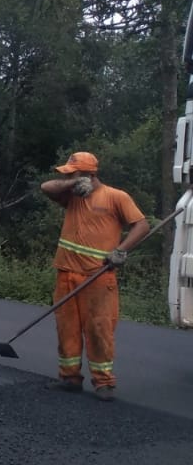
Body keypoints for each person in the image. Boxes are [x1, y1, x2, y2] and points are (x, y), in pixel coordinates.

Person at [40, 151, 150, 400]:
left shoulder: (115, 197)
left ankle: (104, 383)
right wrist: (72, 184)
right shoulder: (71, 196)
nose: (68, 178)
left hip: (97, 275)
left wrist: (120, 251)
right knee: (66, 328)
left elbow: (142, 225)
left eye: (73, 174)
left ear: (89, 174)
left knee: (99, 329)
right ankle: (69, 378)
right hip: (66, 273)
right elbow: (46, 187)